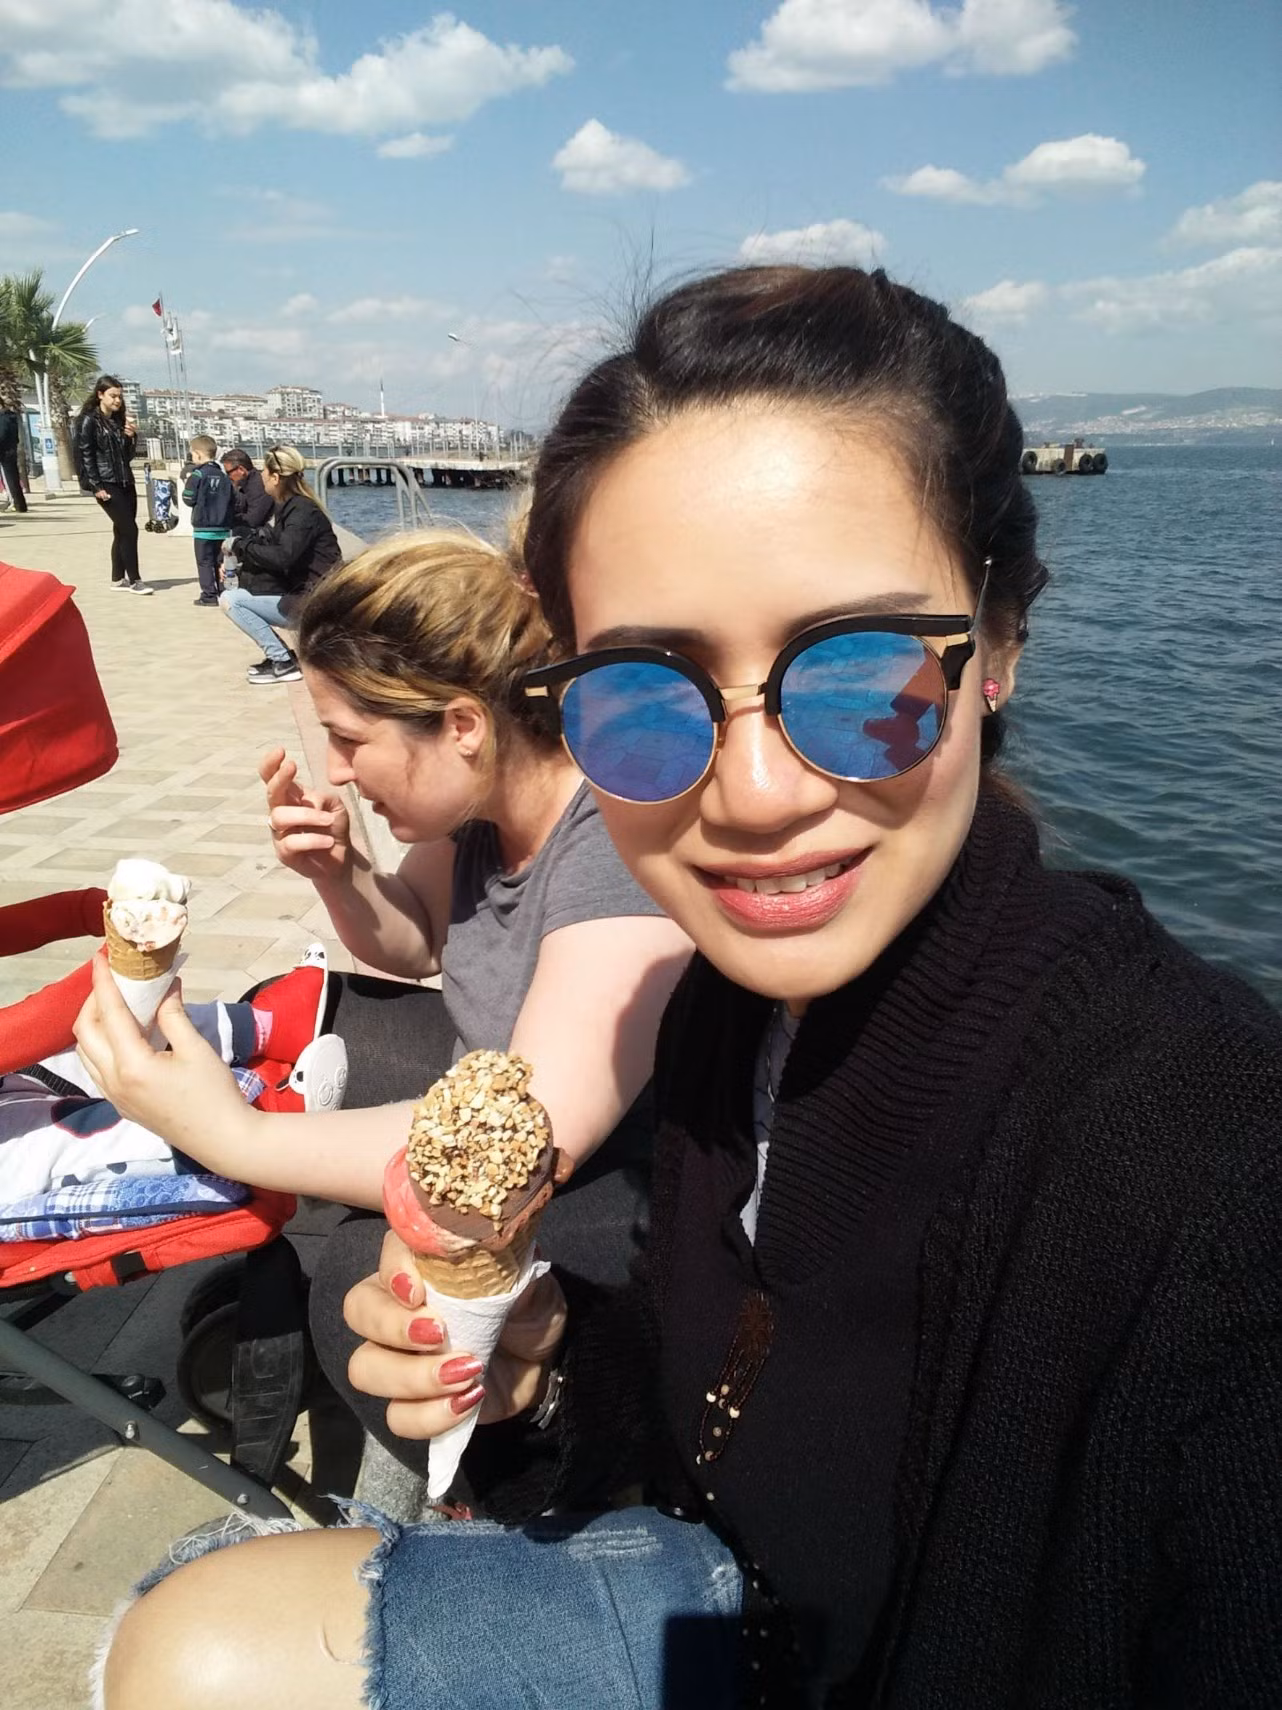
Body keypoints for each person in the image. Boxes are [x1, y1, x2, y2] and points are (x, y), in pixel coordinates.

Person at [95, 267, 1282, 1710]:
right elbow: (711, 1395)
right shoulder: (732, 1004)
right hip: (721, 1598)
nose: (757, 795)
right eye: (647, 691)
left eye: (858, 671)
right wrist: (551, 1364)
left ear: (1000, 646)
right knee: (183, 1637)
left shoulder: (1209, 1154)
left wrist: (222, 1127)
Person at [75, 524, 690, 1243]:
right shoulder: (482, 797)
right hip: (490, 1082)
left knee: (354, 1263)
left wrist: (231, 1136)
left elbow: (513, 1150)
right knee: (278, 1007)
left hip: (609, 1176)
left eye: (349, 738)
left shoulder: (615, 850)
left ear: (463, 726)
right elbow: (419, 939)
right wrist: (341, 873)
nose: (336, 770)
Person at [219, 443, 342, 685]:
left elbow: (284, 556)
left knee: (231, 601)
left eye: (265, 471)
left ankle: (283, 662)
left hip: (318, 603)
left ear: (275, 477)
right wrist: (239, 564)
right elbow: (277, 553)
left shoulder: (301, 511)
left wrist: (241, 546)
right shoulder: (290, 507)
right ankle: (282, 657)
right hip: (305, 594)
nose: (261, 475)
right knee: (239, 593)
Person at [75, 375, 151, 593]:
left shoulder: (119, 420)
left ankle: (117, 579)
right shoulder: (89, 420)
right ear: (100, 395)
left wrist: (130, 438)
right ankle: (135, 580)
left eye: (119, 396)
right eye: (113, 396)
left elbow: (126, 456)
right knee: (130, 530)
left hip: (125, 480)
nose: (117, 400)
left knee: (121, 530)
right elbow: (86, 455)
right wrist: (96, 486)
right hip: (106, 482)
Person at [182, 435, 235, 607]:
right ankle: (224, 592)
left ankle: (208, 595)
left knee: (204, 562)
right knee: (221, 562)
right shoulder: (224, 476)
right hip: (223, 528)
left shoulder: (197, 474)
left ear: (198, 454)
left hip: (203, 529)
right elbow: (233, 499)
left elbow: (188, 498)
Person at [220, 446, 273, 534]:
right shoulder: (245, 484)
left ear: (241, 470)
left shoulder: (258, 486)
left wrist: (228, 517)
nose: (228, 477)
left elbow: (253, 520)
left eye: (229, 473)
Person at [0, 408, 27, 514]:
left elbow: (1, 436)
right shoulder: (12, 418)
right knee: (13, 478)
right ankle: (20, 504)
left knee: (9, 479)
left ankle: (15, 503)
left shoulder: (3, 419)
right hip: (11, 451)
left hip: (4, 453)